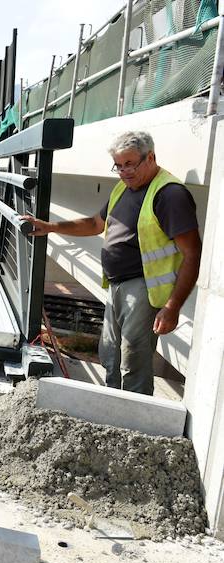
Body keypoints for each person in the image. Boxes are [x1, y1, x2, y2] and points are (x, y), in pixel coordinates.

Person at [22, 131, 201, 395]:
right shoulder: (124, 187)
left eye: (130, 164)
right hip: (116, 285)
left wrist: (172, 307)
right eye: (118, 165)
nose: (124, 171)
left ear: (150, 157)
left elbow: (193, 253)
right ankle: (110, 407)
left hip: (143, 288)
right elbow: (96, 224)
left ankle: (133, 418)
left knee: (134, 360)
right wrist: (50, 226)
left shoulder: (169, 195)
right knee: (110, 354)